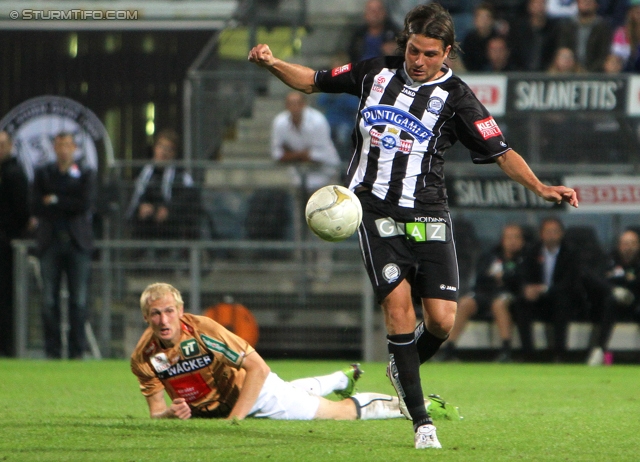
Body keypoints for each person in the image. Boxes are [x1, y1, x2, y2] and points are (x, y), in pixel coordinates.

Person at [248, 2, 578, 449]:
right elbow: (313, 81)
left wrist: (540, 188)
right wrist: (272, 63)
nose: (418, 61)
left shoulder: (457, 97)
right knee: (398, 308)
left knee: (442, 321)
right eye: (412, 51)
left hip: (427, 212)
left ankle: (401, 366)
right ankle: (423, 424)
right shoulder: (373, 72)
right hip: (372, 208)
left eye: (428, 54)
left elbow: (501, 151)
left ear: (447, 53)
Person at [130, 282, 462, 422]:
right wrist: (170, 414)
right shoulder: (143, 358)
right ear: (146, 317)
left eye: (169, 311)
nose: (164, 320)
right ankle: (339, 377)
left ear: (180, 310)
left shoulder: (203, 330)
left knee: (338, 413)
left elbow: (258, 370)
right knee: (292, 392)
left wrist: (234, 422)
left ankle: (414, 404)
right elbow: (156, 413)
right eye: (156, 314)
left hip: (254, 394)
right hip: (224, 407)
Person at [32, 132, 97, 359]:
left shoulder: (85, 173)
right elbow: (37, 205)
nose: (63, 150)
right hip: (50, 243)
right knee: (49, 301)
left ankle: (76, 352)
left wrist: (56, 200)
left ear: (74, 148)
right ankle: (53, 351)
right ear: (54, 147)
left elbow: (84, 204)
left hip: (77, 244)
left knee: (78, 302)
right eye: (59, 145)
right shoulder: (43, 173)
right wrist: (66, 200)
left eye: (68, 145)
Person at [438, 223, 526, 363]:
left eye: (516, 237)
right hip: (485, 292)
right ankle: (449, 348)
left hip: (508, 295)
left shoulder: (525, 258)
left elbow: (519, 281)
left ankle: (506, 349)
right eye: (508, 237)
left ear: (522, 241)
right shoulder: (491, 255)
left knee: (499, 304)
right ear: (502, 239)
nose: (512, 241)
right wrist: (497, 278)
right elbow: (481, 276)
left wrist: (503, 278)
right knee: (465, 303)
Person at [513, 217, 582, 362]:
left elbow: (571, 282)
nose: (551, 235)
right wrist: (527, 288)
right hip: (537, 301)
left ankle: (559, 354)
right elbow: (522, 274)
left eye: (555, 232)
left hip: (559, 297)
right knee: (521, 303)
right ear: (541, 234)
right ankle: (528, 353)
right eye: (548, 232)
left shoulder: (570, 253)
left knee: (562, 302)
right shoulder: (531, 251)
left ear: (562, 234)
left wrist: (545, 289)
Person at [125, 128, 200, 245]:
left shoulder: (181, 177)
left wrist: (169, 210)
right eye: (161, 147)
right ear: (154, 148)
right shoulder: (143, 173)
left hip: (172, 232)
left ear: (174, 154)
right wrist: (142, 207)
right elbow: (133, 198)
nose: (163, 152)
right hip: (145, 231)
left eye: (168, 149)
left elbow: (188, 201)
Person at [271, 92, 341, 195]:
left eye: (298, 103)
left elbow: (321, 156)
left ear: (304, 104)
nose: (295, 107)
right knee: (299, 208)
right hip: (298, 177)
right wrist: (304, 154)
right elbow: (277, 154)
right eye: (291, 103)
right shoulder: (279, 122)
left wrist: (290, 153)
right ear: (286, 106)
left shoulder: (318, 121)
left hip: (327, 174)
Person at [0, 131, 30, 357]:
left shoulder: (14, 172)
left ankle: (8, 346)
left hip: (7, 244)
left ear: (10, 146)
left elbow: (21, 211)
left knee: (7, 296)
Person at [556, 0, 614, 72]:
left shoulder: (603, 28)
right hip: (570, 72)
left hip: (595, 73)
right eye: (583, 1)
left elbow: (603, 54)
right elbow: (564, 48)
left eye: (589, 1)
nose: (586, 3)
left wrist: (588, 71)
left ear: (596, 4)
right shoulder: (568, 26)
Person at [509, 0, 561, 71]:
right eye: (536, 4)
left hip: (546, 71)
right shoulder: (519, 29)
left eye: (542, 4)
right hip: (521, 71)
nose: (539, 7)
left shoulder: (553, 29)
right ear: (529, 6)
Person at [460, 2, 501, 71]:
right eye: (480, 17)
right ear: (475, 20)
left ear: (492, 20)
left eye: (486, 17)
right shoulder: (469, 38)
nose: (483, 21)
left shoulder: (497, 38)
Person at [610, 0, 640, 71]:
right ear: (630, 12)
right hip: (626, 71)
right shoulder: (621, 33)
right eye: (636, 9)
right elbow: (616, 55)